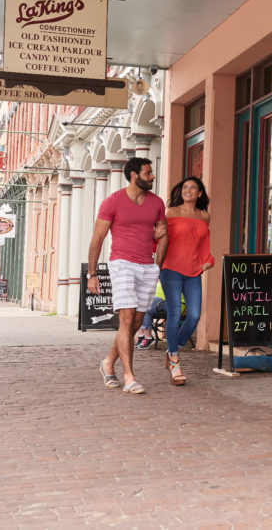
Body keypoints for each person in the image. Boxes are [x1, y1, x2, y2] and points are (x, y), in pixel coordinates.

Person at [87, 157, 168, 394]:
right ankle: (129, 376)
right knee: (127, 317)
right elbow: (97, 239)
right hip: (121, 263)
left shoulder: (157, 203)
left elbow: (163, 235)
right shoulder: (112, 202)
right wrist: (93, 274)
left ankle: (108, 362)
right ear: (134, 175)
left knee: (134, 322)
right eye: (148, 173)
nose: (152, 177)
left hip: (146, 266)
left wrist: (157, 266)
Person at [158, 176, 215, 386]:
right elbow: (159, 239)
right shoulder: (170, 213)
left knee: (194, 315)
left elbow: (204, 243)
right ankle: (174, 361)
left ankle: (174, 347)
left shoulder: (204, 216)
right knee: (174, 314)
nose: (188, 190)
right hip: (170, 269)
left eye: (193, 188)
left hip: (193, 271)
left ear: (200, 193)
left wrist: (208, 261)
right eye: (185, 187)